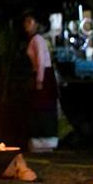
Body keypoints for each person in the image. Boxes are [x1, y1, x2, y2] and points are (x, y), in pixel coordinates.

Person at [23, 13, 58, 153]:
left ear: (36, 24)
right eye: (26, 21)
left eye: (30, 21)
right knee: (40, 109)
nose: (27, 24)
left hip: (43, 76)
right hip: (41, 75)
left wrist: (39, 80)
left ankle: (44, 141)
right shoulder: (35, 40)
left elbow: (41, 61)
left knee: (42, 108)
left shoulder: (37, 39)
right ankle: (40, 141)